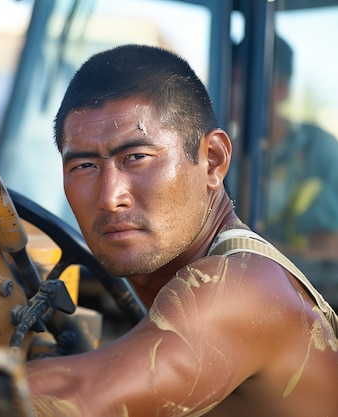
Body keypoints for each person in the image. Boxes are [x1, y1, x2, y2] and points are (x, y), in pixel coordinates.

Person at [25, 44, 338, 416]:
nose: (110, 197)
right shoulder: (174, 287)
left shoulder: (243, 287)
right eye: (84, 166)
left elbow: (78, 397)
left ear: (213, 161)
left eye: (136, 158)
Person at [262, 36, 338, 301]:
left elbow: (330, 250)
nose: (234, 91)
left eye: (241, 81)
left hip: (311, 302)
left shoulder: (318, 149)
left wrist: (258, 252)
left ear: (280, 89)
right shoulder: (217, 155)